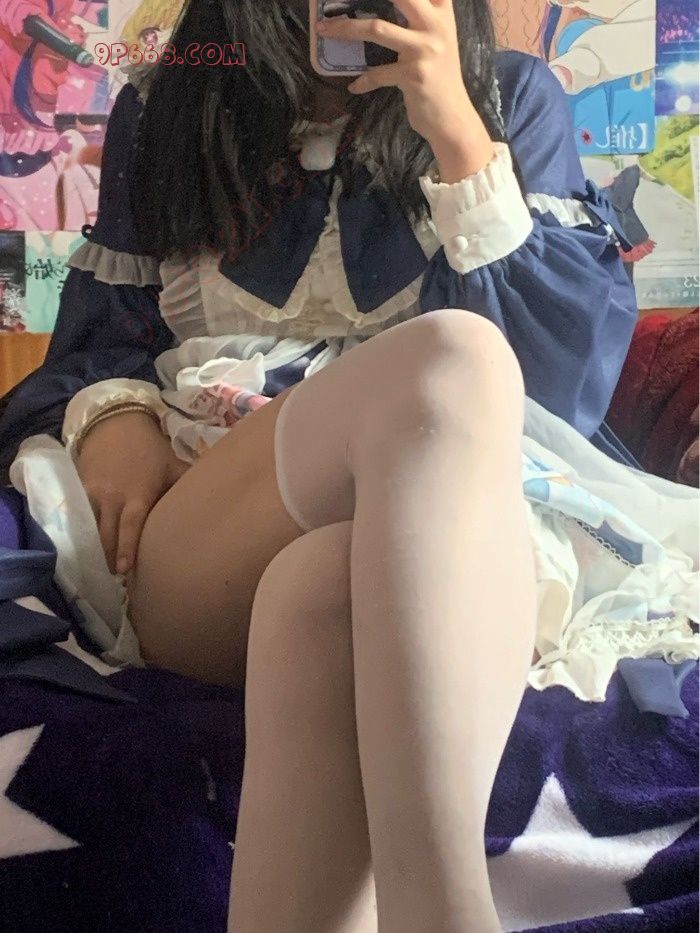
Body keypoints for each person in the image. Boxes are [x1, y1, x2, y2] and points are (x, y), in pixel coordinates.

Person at [0, 1, 697, 931]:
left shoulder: (508, 98)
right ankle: (445, 914)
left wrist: (459, 136)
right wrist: (111, 411)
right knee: (454, 358)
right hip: (213, 523)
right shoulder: (170, 106)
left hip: (451, 533)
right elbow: (98, 341)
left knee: (327, 585)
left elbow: (560, 399)